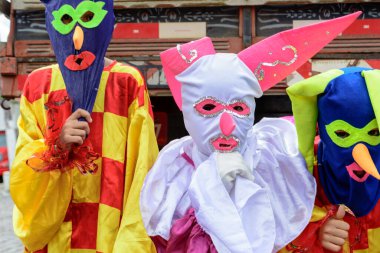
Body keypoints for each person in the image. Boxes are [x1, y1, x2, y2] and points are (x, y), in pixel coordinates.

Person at [139, 12, 360, 253]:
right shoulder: (173, 167)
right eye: (209, 108)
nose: (227, 126)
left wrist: (320, 231)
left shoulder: (280, 154)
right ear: (188, 112)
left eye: (238, 108)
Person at [10, 0, 158, 252]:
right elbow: (24, 169)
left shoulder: (126, 82)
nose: (77, 35)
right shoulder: (38, 85)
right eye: (66, 20)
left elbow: (143, 169)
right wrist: (56, 145)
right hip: (56, 238)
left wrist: (132, 242)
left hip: (109, 237)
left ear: (108, 22)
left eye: (88, 17)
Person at [282, 67, 380, 252]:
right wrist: (314, 233)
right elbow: (269, 232)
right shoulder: (297, 171)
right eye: (342, 134)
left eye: (374, 133)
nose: (360, 153)